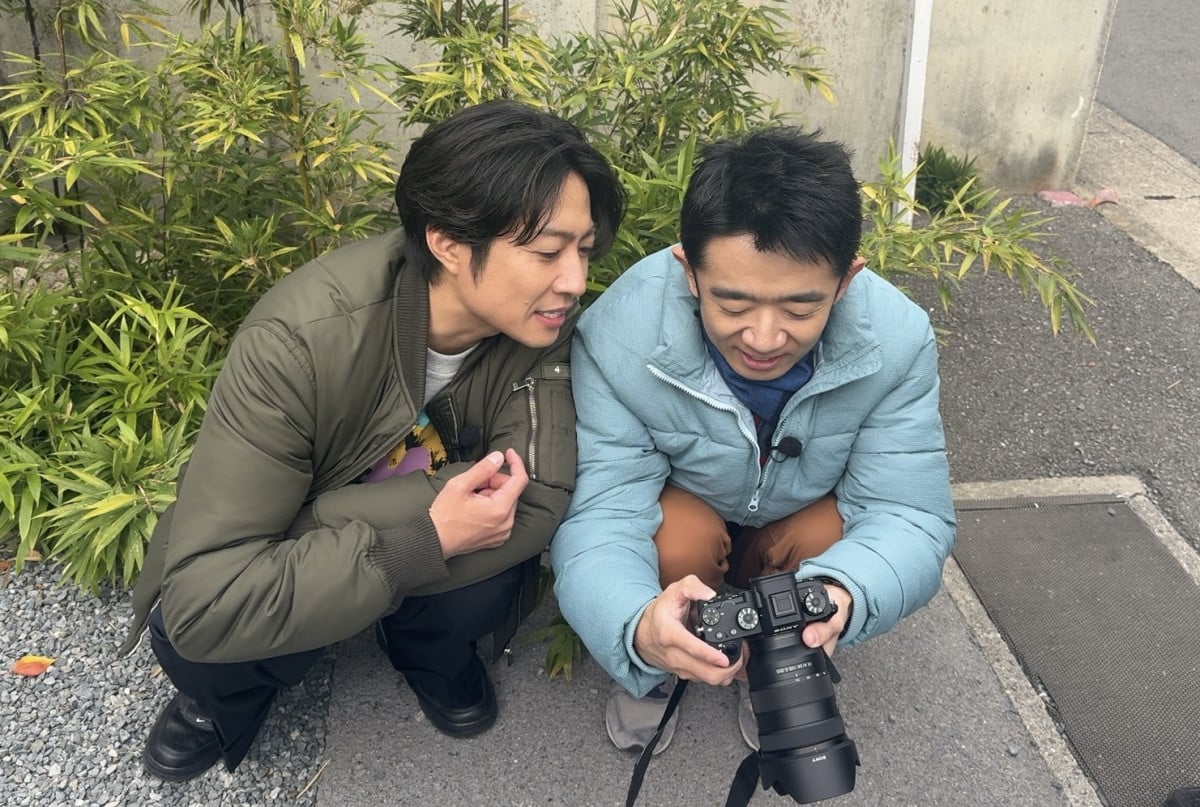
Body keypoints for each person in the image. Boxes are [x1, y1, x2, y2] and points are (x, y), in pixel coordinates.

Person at [116, 99, 624, 782]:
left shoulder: (541, 322)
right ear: (447, 243)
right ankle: (222, 700)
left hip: (345, 526)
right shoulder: (298, 341)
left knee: (491, 568)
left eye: (584, 249)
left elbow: (537, 495)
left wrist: (313, 533)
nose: (575, 281)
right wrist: (422, 539)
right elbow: (206, 601)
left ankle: (431, 655)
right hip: (347, 517)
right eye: (546, 252)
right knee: (205, 641)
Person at [550, 127, 956, 754]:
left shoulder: (898, 339)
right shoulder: (620, 335)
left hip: (796, 521)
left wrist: (846, 592)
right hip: (692, 511)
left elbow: (907, 512)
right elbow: (604, 512)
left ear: (847, 281)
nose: (764, 339)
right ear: (689, 272)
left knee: (834, 540)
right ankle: (663, 658)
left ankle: (778, 653)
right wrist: (636, 628)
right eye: (733, 304)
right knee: (673, 541)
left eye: (799, 309)